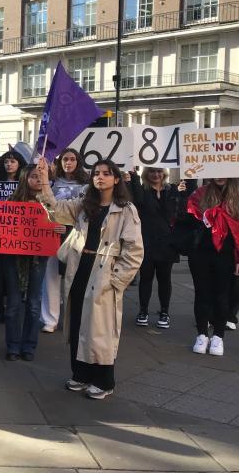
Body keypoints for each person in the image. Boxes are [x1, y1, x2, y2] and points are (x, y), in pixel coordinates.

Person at [36, 157, 143, 400]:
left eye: (106, 173)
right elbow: (56, 211)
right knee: (77, 323)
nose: (100, 177)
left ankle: (104, 381)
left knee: (101, 329)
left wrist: (116, 281)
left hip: (105, 272)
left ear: (116, 179)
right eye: (96, 173)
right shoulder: (85, 205)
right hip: (80, 267)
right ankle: (80, 374)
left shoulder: (126, 209)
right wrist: (44, 181)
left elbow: (134, 250)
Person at [0, 164, 65, 361]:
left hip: (38, 258)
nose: (37, 180)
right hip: (14, 258)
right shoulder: (12, 201)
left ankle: (28, 346)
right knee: (13, 304)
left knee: (34, 304)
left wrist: (61, 230)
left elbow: (61, 222)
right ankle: (12, 345)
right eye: (33, 176)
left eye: (40, 177)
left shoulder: (50, 202)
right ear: (25, 178)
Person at [181, 178, 239, 357]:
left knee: (222, 295)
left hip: (226, 255)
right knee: (201, 293)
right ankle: (202, 335)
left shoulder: (237, 196)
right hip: (200, 254)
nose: (219, 176)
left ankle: (218, 337)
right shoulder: (200, 194)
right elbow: (187, 220)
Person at [41, 149, 90, 333]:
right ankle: (50, 319)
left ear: (78, 161)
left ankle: (72, 317)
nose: (68, 162)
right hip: (53, 235)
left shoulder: (86, 185)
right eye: (65, 159)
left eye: (72, 159)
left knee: (74, 278)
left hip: (76, 236)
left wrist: (69, 227)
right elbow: (46, 207)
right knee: (51, 278)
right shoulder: (52, 184)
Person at [129, 167, 181, 329]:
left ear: (164, 173)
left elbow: (175, 211)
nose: (156, 174)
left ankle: (164, 312)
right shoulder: (142, 190)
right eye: (152, 171)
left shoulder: (172, 190)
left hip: (167, 243)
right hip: (146, 241)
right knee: (146, 277)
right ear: (147, 174)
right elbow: (137, 201)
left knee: (165, 279)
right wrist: (133, 176)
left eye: (159, 171)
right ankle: (143, 311)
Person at [0, 151, 27, 324]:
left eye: (12, 161)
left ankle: (14, 305)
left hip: (19, 233)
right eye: (6, 161)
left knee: (16, 271)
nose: (8, 164)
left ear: (19, 164)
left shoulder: (25, 184)